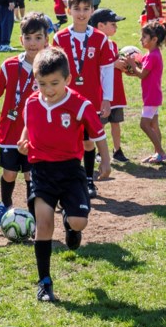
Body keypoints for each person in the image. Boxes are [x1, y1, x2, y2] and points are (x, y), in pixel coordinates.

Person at [17, 46, 111, 302]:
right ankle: (44, 282)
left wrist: (105, 159)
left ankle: (72, 227)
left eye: (54, 83)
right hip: (41, 171)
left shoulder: (79, 105)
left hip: (70, 171)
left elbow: (98, 132)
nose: (47, 90)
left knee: (79, 220)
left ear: (68, 80)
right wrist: (23, 142)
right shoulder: (32, 102)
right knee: (44, 224)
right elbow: (28, 126)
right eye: (41, 83)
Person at [0, 13, 51, 228]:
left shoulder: (50, 67)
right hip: (10, 131)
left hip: (37, 134)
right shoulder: (9, 66)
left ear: (46, 40)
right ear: (21, 40)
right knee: (9, 173)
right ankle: (4, 203)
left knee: (30, 175)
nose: (33, 43)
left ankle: (32, 213)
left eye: (38, 38)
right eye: (28, 38)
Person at [51, 0, 117, 198]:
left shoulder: (100, 39)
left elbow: (107, 71)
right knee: (66, 142)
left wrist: (107, 99)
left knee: (88, 141)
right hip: (65, 100)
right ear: (68, 10)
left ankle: (88, 180)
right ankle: (68, 181)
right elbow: (53, 70)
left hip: (91, 101)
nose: (81, 13)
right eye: (77, 8)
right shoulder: (59, 39)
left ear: (92, 10)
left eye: (86, 8)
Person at [124, 20, 166, 163]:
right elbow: (142, 70)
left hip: (151, 96)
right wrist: (134, 67)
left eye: (144, 37)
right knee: (154, 125)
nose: (140, 40)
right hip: (153, 95)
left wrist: (131, 65)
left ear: (154, 39)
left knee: (144, 125)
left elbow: (142, 74)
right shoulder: (153, 53)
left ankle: (160, 152)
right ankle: (158, 153)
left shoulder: (152, 56)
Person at [89, 8, 129, 163]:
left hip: (116, 90)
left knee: (116, 122)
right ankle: (100, 151)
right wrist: (114, 64)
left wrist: (127, 65)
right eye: (113, 24)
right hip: (102, 92)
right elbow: (96, 66)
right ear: (100, 26)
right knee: (100, 124)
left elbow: (116, 63)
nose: (116, 27)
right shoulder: (94, 43)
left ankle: (117, 150)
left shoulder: (113, 44)